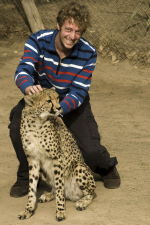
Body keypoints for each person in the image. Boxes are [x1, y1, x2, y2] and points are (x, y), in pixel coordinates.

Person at [9, 1, 120, 198]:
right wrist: (28, 87)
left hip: (71, 103)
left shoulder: (88, 52)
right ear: (58, 25)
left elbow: (78, 92)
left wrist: (59, 111)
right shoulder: (38, 40)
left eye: (78, 31)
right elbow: (23, 70)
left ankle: (106, 167)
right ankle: (25, 175)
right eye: (68, 29)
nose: (72, 36)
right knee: (18, 125)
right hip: (40, 100)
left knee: (90, 150)